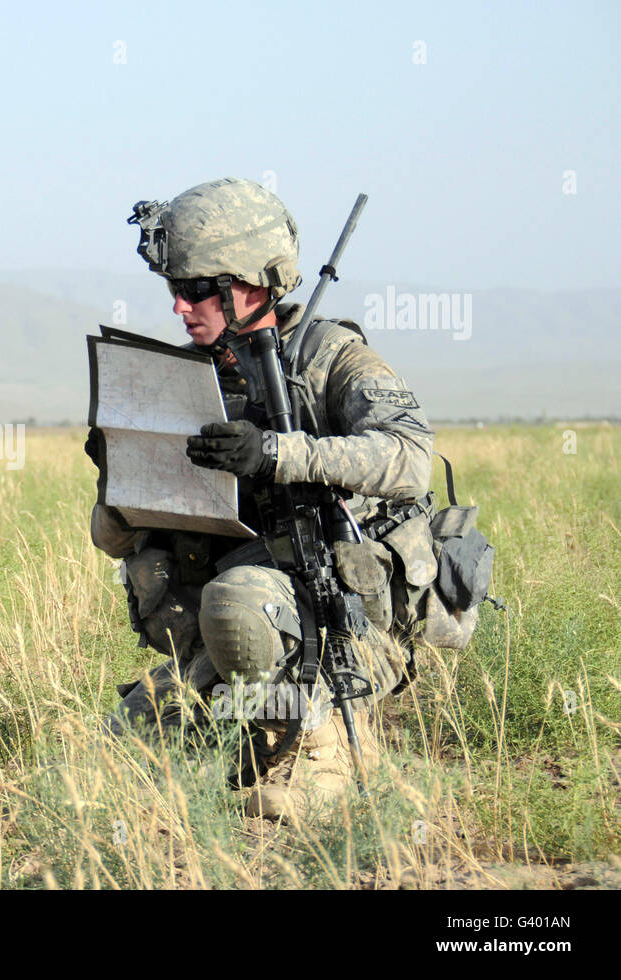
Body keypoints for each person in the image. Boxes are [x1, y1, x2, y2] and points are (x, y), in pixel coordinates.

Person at [92, 177, 437, 820]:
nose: (180, 308)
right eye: (174, 289)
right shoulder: (183, 381)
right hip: (225, 642)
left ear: (251, 283)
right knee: (119, 752)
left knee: (236, 600)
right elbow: (112, 540)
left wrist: (278, 454)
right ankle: (244, 725)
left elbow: (410, 455)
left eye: (197, 289)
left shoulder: (331, 356)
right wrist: (121, 483)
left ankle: (318, 746)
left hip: (339, 629)